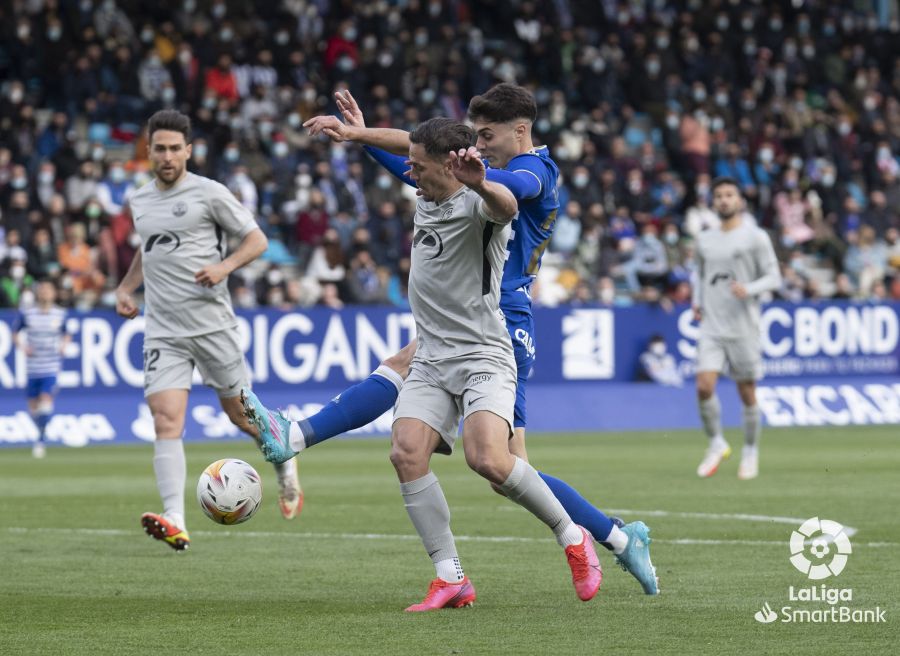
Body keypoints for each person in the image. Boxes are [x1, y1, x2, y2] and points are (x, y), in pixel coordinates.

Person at [243, 85, 658, 596]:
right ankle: (613, 537)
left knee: (495, 459)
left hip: (499, 315)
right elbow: (421, 163)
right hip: (463, 310)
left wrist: (408, 150)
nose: (479, 147)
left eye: (486, 136)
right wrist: (359, 135)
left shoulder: (534, 172)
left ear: (519, 130)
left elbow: (478, 183)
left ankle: (610, 536)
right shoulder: (453, 179)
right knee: (491, 457)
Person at [114, 110, 301, 552]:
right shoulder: (140, 200)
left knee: (241, 416)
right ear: (149, 150)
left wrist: (224, 267)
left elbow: (255, 240)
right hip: (163, 329)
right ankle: (175, 518)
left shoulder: (209, 193)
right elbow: (149, 247)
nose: (167, 156)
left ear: (189, 151)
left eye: (175, 148)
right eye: (159, 148)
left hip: (212, 324)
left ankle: (285, 466)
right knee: (165, 419)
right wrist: (126, 286)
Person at [693, 177, 781, 480]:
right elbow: (698, 273)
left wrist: (750, 288)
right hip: (712, 325)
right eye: (718, 195)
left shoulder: (755, 237)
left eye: (729, 194)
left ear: (740, 200)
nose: (724, 200)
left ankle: (751, 451)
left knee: (747, 392)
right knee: (704, 385)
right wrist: (696, 301)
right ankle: (717, 443)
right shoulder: (705, 239)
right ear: (713, 201)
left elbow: (774, 277)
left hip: (744, 326)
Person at [12, 280, 71, 458]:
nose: (45, 293)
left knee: (45, 400)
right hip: (32, 367)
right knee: (33, 406)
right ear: (38, 293)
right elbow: (15, 332)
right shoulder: (28, 314)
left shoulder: (60, 314)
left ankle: (40, 439)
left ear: (54, 293)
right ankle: (41, 431)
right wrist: (22, 347)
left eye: (48, 289)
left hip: (51, 365)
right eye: (42, 289)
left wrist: (63, 345)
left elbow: (67, 333)